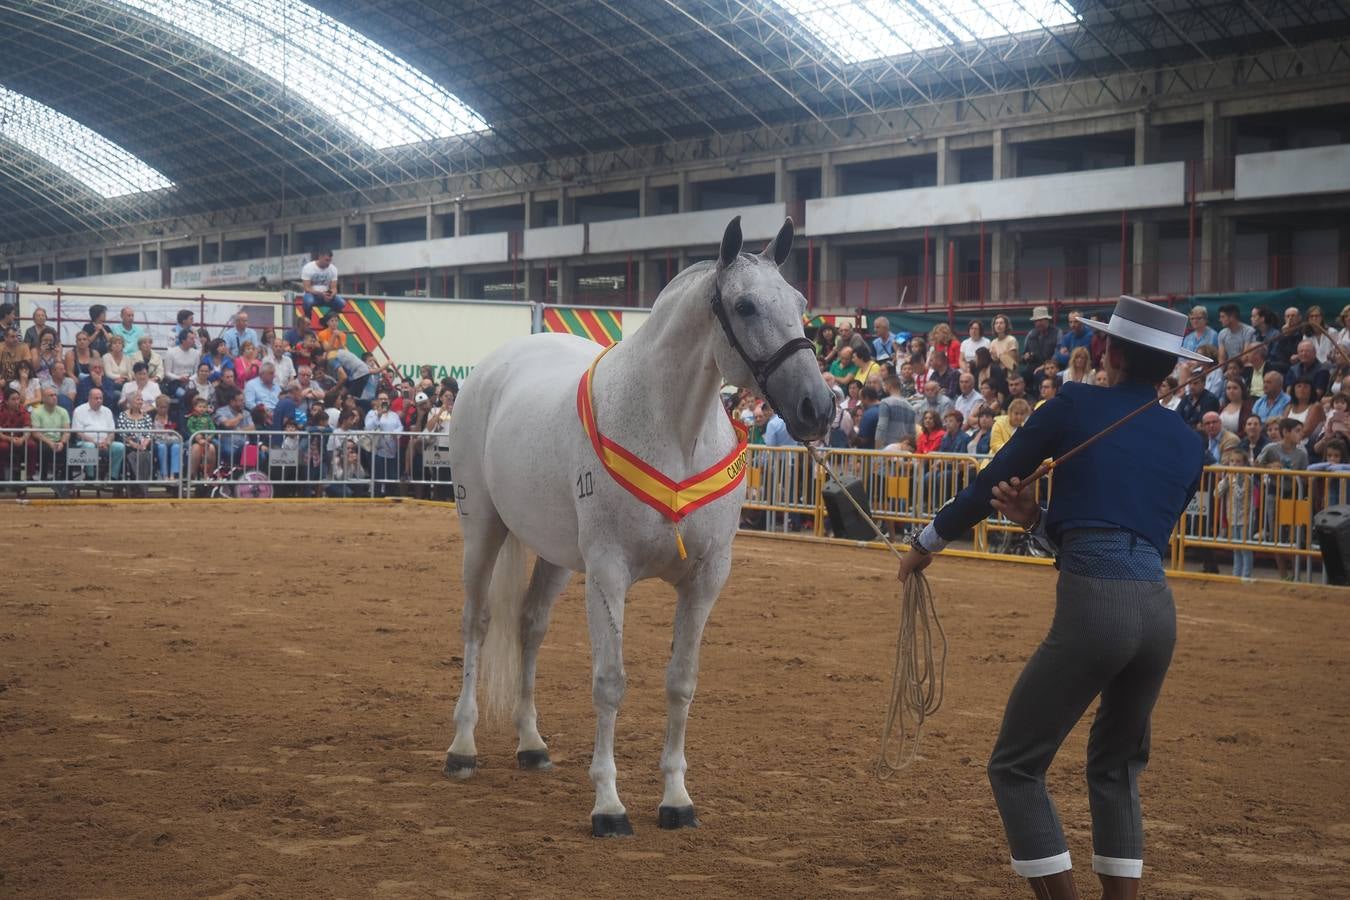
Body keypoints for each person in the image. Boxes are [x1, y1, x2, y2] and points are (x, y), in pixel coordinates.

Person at [896, 294, 1209, 900]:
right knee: (1116, 769)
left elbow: (992, 477)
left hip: (1097, 605)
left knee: (1015, 767)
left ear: (1108, 351)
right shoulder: (1188, 442)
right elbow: (1125, 531)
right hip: (1156, 610)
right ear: (1167, 368)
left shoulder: (1075, 402)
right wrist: (1038, 520)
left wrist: (926, 541)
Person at [1215, 447, 1255, 579]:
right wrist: (1225, 481)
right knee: (1236, 549)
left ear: (1244, 464)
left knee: (1245, 549)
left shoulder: (1247, 478)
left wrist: (1232, 480)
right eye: (1232, 461)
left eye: (1238, 461)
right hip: (1232, 518)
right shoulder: (1228, 477)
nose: (1234, 464)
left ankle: (1246, 576)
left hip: (1245, 519)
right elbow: (1217, 493)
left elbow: (1239, 495)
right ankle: (1235, 576)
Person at [71, 387, 124, 481]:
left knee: (120, 447)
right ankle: (90, 476)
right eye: (96, 398)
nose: (99, 400)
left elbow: (112, 432)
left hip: (105, 443)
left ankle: (113, 477)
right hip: (85, 443)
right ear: (89, 398)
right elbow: (78, 433)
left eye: (101, 398)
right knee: (89, 447)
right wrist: (95, 443)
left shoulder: (107, 411)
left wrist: (107, 442)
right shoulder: (79, 410)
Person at [363, 389, 403, 497]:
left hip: (391, 450)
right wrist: (379, 415)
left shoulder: (394, 415)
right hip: (377, 451)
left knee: (391, 476)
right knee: (378, 476)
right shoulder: (371, 413)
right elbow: (368, 427)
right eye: (381, 399)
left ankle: (390, 497)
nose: (383, 401)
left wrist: (396, 433)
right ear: (376, 401)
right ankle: (376, 497)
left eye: (385, 399)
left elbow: (400, 427)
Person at [30, 386, 70, 495]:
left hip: (59, 440)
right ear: (43, 399)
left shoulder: (63, 411)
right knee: (45, 449)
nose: (54, 397)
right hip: (44, 441)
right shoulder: (36, 412)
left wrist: (62, 442)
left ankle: (66, 480)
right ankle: (43, 477)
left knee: (70, 451)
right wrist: (50, 443)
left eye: (55, 395)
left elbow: (67, 431)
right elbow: (35, 433)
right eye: (51, 395)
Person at [117, 391, 155, 495]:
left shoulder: (146, 416)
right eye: (138, 399)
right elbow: (122, 433)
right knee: (132, 454)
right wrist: (134, 444)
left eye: (141, 399)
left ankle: (143, 485)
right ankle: (136, 485)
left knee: (146, 454)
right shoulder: (123, 415)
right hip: (129, 444)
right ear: (130, 402)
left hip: (144, 444)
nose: (140, 401)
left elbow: (149, 433)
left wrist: (145, 443)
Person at [0, 387, 34, 489]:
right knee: (2, 447)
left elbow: (27, 429)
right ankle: (1, 479)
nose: (16, 402)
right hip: (4, 438)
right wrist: (10, 439)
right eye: (13, 399)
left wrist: (23, 439)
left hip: (20, 439)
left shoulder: (23, 410)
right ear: (6, 401)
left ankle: (28, 477)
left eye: (18, 399)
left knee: (31, 445)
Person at [301, 250, 347, 318]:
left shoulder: (333, 269)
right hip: (312, 295)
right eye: (326, 260)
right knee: (308, 302)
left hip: (326, 295)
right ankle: (308, 320)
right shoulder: (308, 268)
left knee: (341, 303)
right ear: (320, 257)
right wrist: (321, 294)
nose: (328, 263)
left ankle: (326, 320)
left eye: (330, 260)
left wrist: (331, 294)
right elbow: (307, 288)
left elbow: (334, 288)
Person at [1021, 306, 1060, 380]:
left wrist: (1044, 366)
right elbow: (1024, 356)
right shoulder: (1030, 334)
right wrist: (1026, 357)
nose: (1038, 323)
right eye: (1036, 321)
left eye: (1041, 320)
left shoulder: (1057, 332)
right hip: (1034, 365)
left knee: (1040, 375)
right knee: (1023, 376)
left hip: (1051, 366)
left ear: (1047, 320)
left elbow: (1058, 354)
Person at [184, 395, 218, 482]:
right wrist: (197, 437)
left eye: (204, 407)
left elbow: (213, 428)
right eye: (200, 407)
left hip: (207, 439)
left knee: (212, 448)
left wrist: (210, 436)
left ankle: (208, 474)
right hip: (195, 439)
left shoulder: (208, 418)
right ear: (195, 407)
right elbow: (190, 428)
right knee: (196, 448)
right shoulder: (191, 418)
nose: (202, 409)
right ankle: (192, 475)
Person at [163, 328, 201, 399]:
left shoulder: (196, 353)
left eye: (194, 339)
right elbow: (167, 373)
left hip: (191, 382)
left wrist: (190, 379)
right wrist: (179, 378)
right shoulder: (171, 352)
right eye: (191, 339)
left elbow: (197, 372)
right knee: (184, 394)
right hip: (175, 383)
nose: (194, 341)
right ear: (183, 340)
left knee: (194, 395)